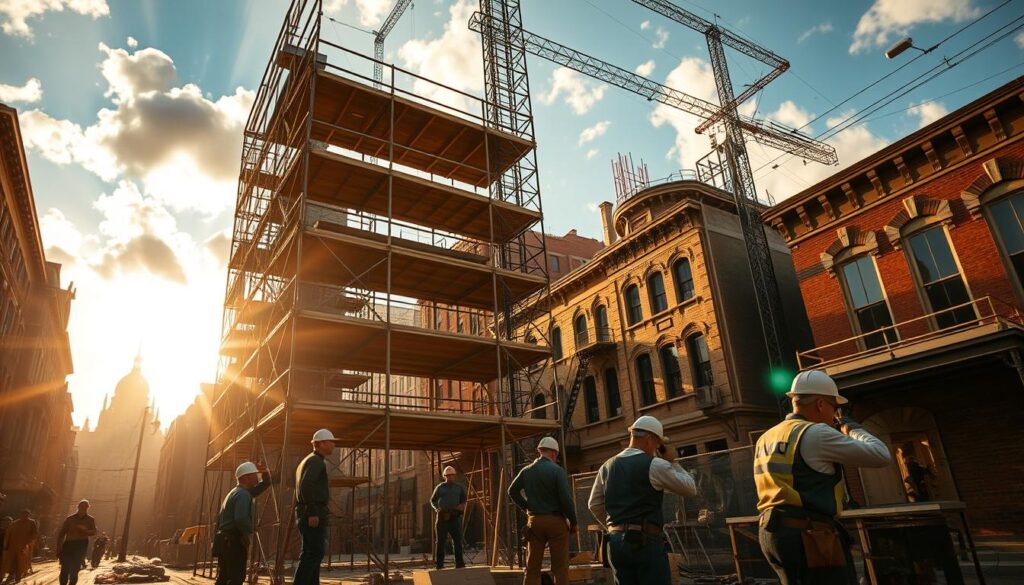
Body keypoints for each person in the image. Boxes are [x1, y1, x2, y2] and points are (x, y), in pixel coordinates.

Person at [754, 369, 891, 585]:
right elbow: (881, 455)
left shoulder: (766, 437)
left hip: (771, 533)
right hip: (810, 536)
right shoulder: (816, 433)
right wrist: (850, 427)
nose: (834, 414)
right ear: (820, 404)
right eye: (834, 407)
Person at [588, 416, 696, 585]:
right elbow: (690, 488)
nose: (657, 449)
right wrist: (673, 461)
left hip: (615, 543)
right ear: (650, 439)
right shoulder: (654, 464)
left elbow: (593, 504)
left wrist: (615, 526)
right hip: (645, 542)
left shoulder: (607, 466)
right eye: (658, 444)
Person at [508, 436, 578, 585]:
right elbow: (566, 499)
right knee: (560, 567)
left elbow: (512, 491)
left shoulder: (526, 471)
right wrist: (573, 522)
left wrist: (527, 506)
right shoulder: (557, 471)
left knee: (532, 567)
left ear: (539, 451)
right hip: (556, 522)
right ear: (554, 453)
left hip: (534, 522)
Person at [213, 461, 271, 585]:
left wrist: (265, 473)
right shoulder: (243, 495)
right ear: (246, 477)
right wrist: (246, 533)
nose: (257, 477)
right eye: (254, 475)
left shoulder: (237, 492)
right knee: (236, 577)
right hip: (233, 541)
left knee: (224, 577)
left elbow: (263, 485)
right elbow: (240, 518)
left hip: (225, 540)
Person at [294, 428, 335, 585]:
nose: (333, 445)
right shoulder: (316, 461)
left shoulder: (307, 461)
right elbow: (306, 486)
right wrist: (312, 512)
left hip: (307, 512)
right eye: (331, 442)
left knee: (311, 553)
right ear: (321, 443)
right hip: (312, 513)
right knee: (314, 553)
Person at [430, 466, 467, 570]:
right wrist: (438, 509)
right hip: (442, 517)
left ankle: (459, 563)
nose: (449, 477)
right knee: (441, 541)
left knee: (457, 540)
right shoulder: (440, 487)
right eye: (447, 476)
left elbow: (464, 500)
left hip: (454, 517)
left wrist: (461, 507)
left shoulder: (459, 488)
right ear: (445, 476)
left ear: (454, 476)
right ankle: (439, 564)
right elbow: (432, 500)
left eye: (451, 476)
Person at [56, 501, 96, 585]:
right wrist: (59, 548)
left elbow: (93, 532)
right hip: (69, 544)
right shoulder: (70, 519)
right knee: (65, 568)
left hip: (81, 545)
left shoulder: (90, 519)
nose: (83, 509)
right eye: (82, 507)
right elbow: (62, 533)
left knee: (75, 568)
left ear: (87, 508)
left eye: (85, 507)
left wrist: (85, 531)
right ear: (78, 507)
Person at [2, 509, 38, 584]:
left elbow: (34, 534)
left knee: (21, 562)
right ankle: (12, 575)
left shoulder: (31, 523)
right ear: (21, 515)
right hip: (13, 546)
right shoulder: (15, 523)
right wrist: (6, 544)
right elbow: (8, 534)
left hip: (24, 547)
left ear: (28, 515)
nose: (24, 516)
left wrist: (29, 543)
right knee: (12, 561)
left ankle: (18, 577)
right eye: (23, 514)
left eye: (26, 515)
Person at [0, 516, 11, 584]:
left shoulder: (12, 530)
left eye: (8, 522)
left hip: (7, 550)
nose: (6, 523)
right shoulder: (1, 530)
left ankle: (1, 576)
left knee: (4, 564)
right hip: (1, 548)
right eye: (5, 522)